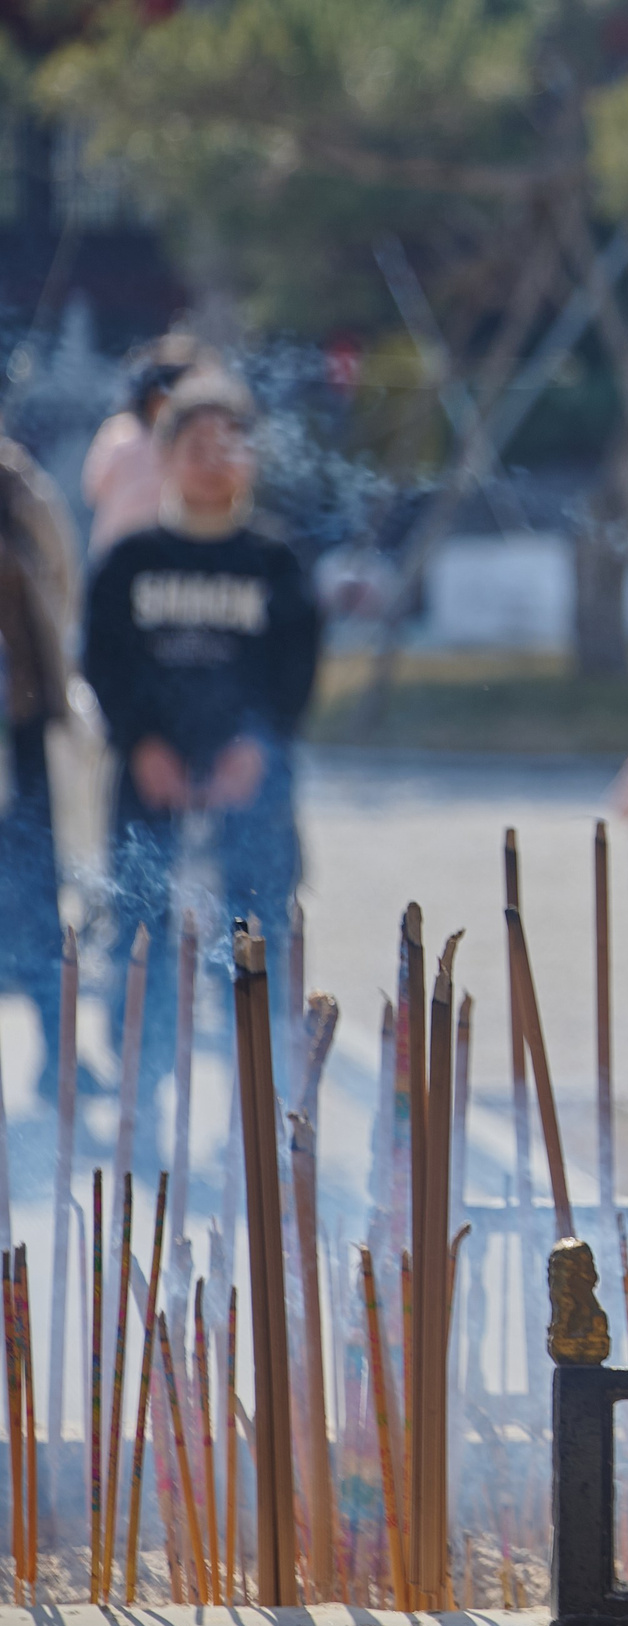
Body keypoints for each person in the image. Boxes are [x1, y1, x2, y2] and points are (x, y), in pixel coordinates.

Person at [85, 370, 321, 1119]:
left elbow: (295, 670)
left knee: (255, 943)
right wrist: (139, 743)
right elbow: (104, 662)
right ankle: (143, 1106)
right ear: (164, 454)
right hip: (148, 780)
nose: (212, 459)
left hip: (252, 783)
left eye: (229, 444)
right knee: (145, 940)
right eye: (194, 444)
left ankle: (261, 1120)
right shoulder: (130, 562)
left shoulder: (276, 562)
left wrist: (254, 750)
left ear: (252, 456)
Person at [0, 429, 78, 1097]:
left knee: (33, 892)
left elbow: (58, 573)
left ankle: (61, 1055)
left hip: (13, 726)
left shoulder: (14, 482)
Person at [82, 335, 205, 563]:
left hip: (166, 560)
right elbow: (94, 489)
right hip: (116, 551)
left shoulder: (190, 444)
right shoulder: (121, 433)